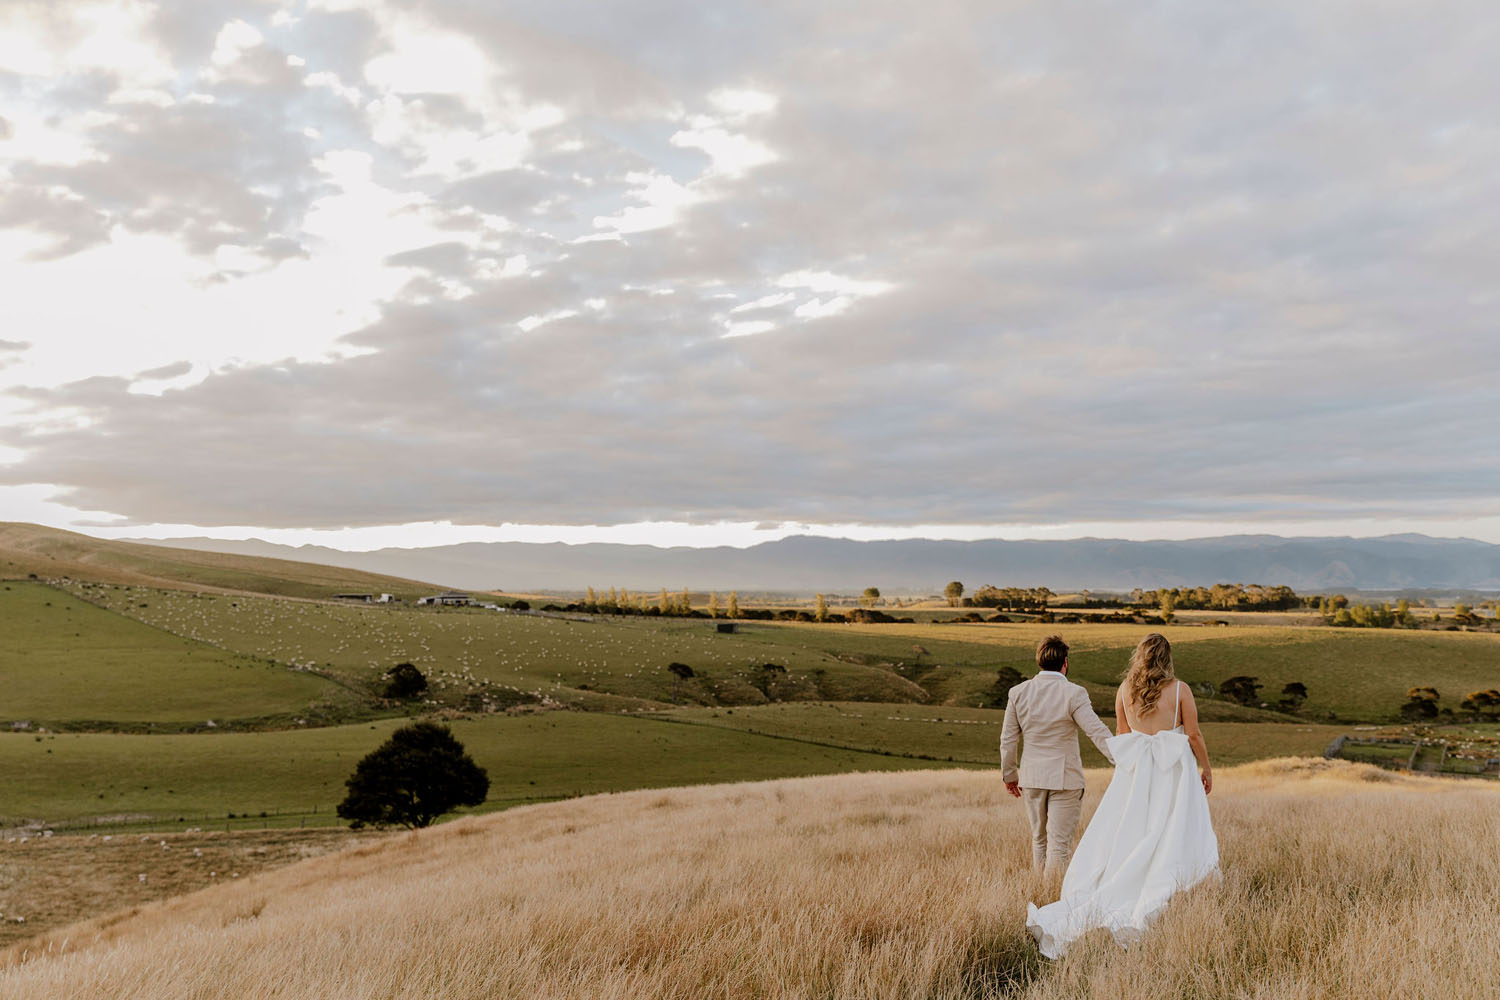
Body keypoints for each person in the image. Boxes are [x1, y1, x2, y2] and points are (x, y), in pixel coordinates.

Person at [1026, 632, 1220, 959]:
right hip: (1172, 773)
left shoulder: (1124, 690)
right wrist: (1207, 768)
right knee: (1173, 830)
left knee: (1131, 831)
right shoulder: (1180, 690)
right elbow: (1193, 734)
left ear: (1139, 657)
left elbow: (1121, 735)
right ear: (1166, 658)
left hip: (1136, 774)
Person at [1000, 634, 1116, 874]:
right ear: (1065, 663)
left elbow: (1008, 739)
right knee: (1059, 846)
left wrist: (1009, 774)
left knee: (1039, 840)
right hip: (1065, 778)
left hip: (1031, 777)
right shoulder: (1074, 693)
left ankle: (1039, 897)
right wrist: (1123, 761)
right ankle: (1052, 901)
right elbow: (1096, 731)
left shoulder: (1018, 692)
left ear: (1039, 661)